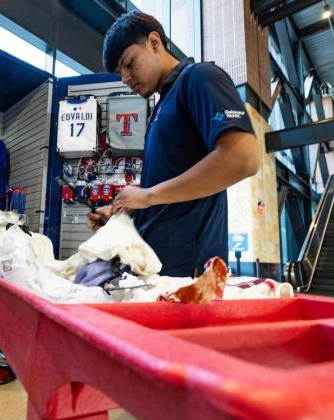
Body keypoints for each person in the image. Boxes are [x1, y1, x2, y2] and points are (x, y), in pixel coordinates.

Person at [88, 11, 260, 276]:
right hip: (157, 274)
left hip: (189, 279)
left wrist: (147, 196)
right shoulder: (160, 108)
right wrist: (124, 214)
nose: (125, 77)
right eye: (119, 72)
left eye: (129, 63)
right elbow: (170, 198)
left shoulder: (200, 78)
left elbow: (243, 158)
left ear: (154, 42)